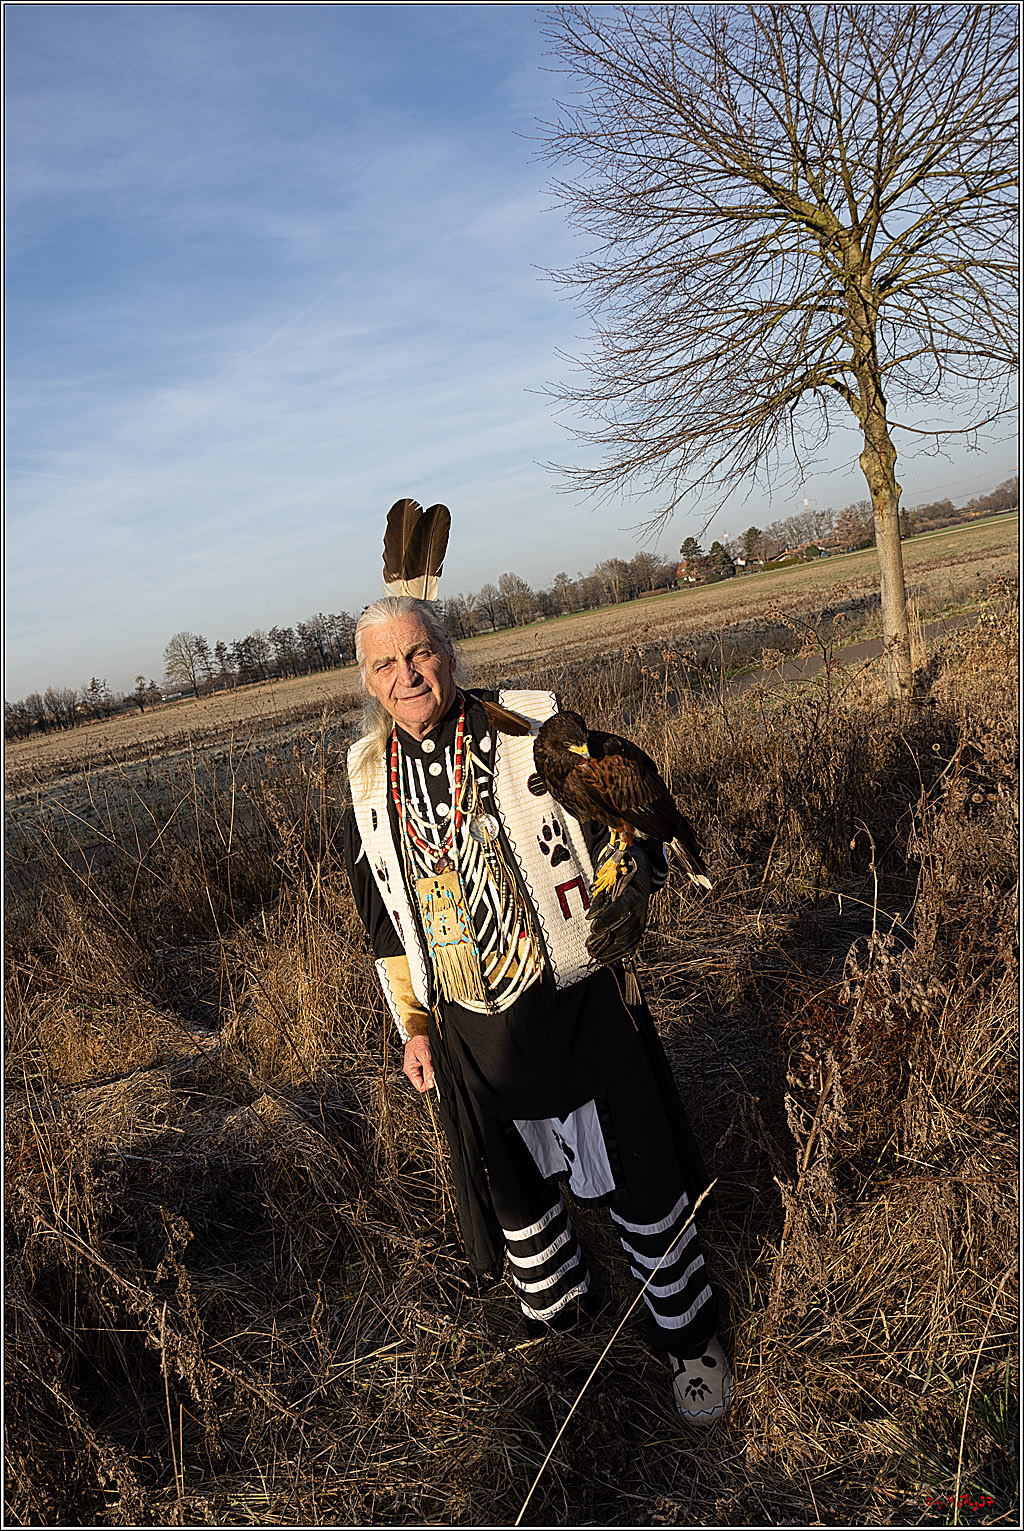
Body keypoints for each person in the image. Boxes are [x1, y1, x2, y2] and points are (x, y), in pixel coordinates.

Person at [341, 595, 731, 1424]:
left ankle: (689, 1338)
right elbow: (383, 921)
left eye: (418, 653)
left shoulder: (534, 727)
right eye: (385, 664)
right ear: (369, 683)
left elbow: (624, 826)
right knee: (517, 1187)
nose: (406, 674)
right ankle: (564, 1325)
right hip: (469, 1025)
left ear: (447, 650)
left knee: (639, 1172)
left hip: (573, 996)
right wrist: (413, 1023)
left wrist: (634, 880)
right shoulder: (366, 780)